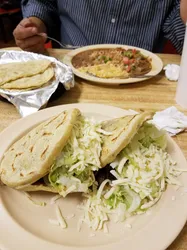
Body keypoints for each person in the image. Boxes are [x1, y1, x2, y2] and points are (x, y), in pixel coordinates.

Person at [13, 0, 187, 54]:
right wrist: (35, 22)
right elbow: (43, 2)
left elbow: (179, 34)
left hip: (140, 82)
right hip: (70, 76)